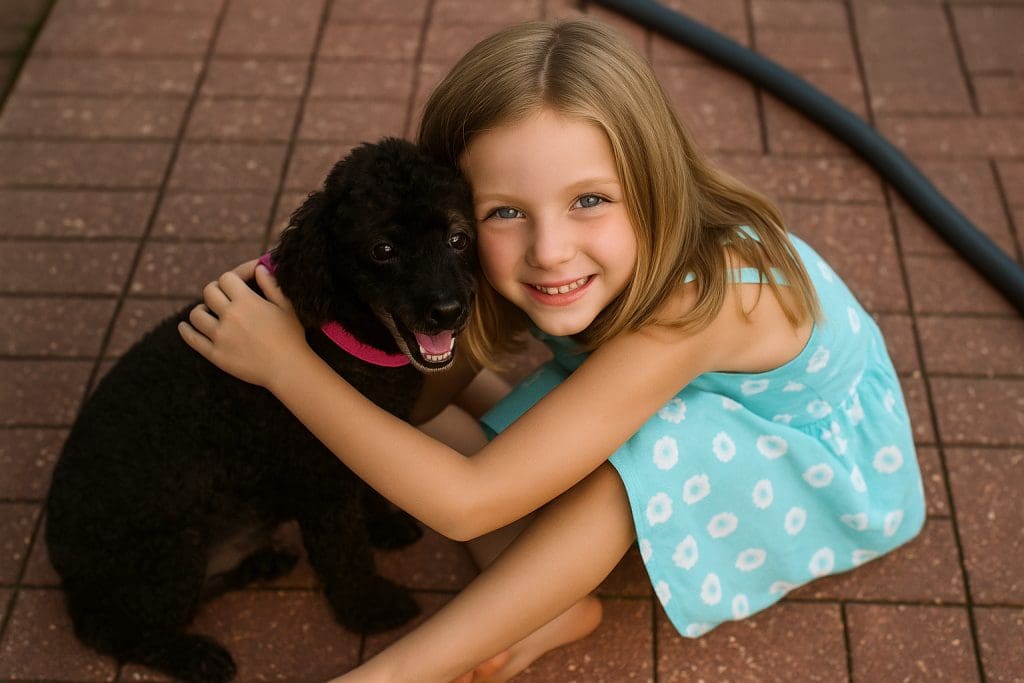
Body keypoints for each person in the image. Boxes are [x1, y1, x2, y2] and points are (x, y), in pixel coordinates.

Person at [178, 18, 926, 682]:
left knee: (634, 456)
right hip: (674, 397)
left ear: (653, 183)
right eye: (503, 212)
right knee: (400, 398)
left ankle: (399, 672)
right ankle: (545, 601)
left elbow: (466, 506)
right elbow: (426, 402)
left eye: (589, 200)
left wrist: (287, 366)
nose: (549, 250)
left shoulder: (696, 306)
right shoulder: (539, 259)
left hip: (808, 463)